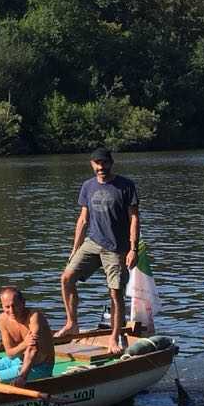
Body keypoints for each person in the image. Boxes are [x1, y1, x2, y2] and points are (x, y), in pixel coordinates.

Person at [59, 146, 141, 352]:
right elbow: (83, 219)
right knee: (66, 278)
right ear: (92, 165)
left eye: (104, 163)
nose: (101, 167)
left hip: (116, 248)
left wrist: (133, 249)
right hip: (92, 242)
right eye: (97, 163)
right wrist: (74, 248)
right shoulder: (87, 186)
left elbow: (134, 218)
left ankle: (115, 337)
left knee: (115, 293)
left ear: (111, 163)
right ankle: (72, 323)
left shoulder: (125, 186)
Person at [0, 286, 56, 386]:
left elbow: (32, 350)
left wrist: (22, 377)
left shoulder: (34, 317)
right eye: (7, 307)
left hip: (39, 366)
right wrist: (25, 343)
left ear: (23, 303)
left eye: (15, 305)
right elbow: (10, 354)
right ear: (2, 306)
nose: (12, 311)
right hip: (15, 360)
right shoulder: (2, 319)